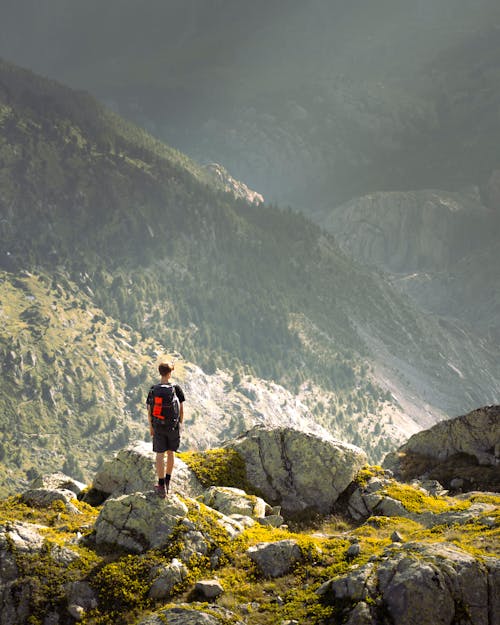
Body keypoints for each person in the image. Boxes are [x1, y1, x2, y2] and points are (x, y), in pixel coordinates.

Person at [146, 361, 185, 497]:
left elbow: (149, 410)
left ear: (160, 372)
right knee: (170, 453)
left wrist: (151, 427)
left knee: (159, 455)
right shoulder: (176, 388)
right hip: (173, 427)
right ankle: (168, 482)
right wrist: (179, 424)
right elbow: (181, 408)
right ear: (170, 373)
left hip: (158, 426)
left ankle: (161, 485)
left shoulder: (153, 389)